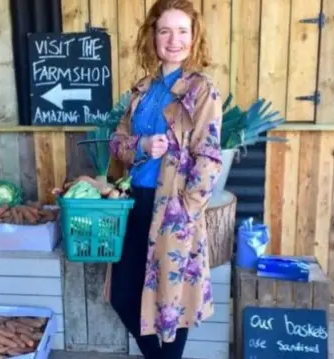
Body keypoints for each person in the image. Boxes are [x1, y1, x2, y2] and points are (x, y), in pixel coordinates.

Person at [105, 0, 223, 358]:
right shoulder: (143, 89)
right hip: (133, 204)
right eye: (165, 31)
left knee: (173, 305)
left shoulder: (201, 89)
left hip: (174, 209)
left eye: (182, 31)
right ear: (153, 36)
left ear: (194, 36)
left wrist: (186, 211)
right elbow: (116, 143)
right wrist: (141, 144)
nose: (174, 40)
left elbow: (209, 156)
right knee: (123, 295)